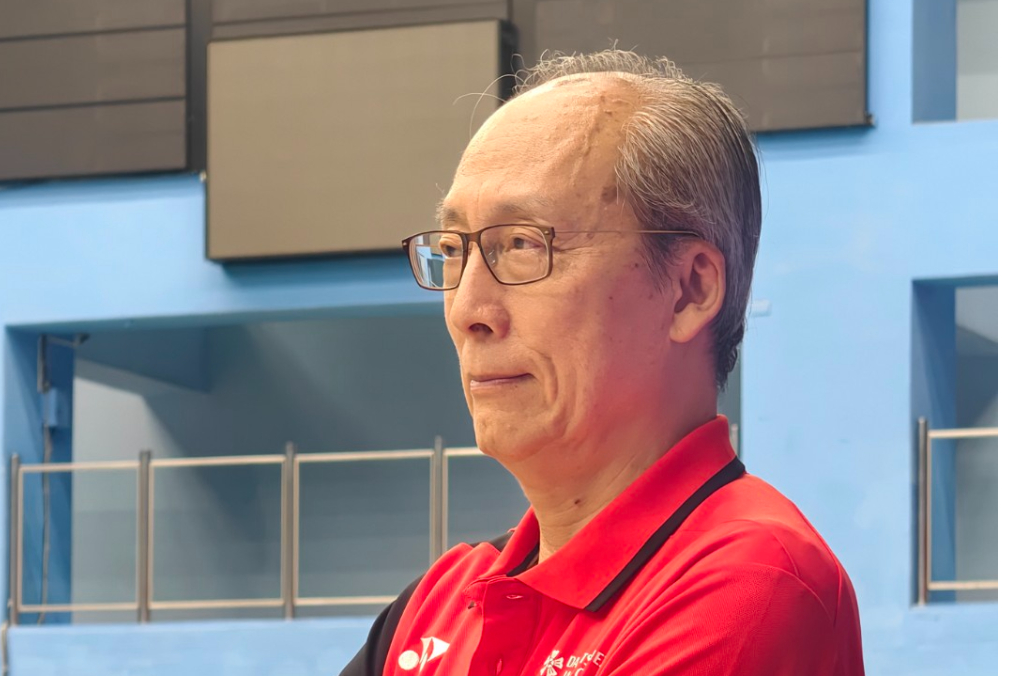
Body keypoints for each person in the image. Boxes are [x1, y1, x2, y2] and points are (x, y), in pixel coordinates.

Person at [342, 50, 864, 676]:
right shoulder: (437, 604)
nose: (468, 310)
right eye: (454, 249)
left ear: (690, 290)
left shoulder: (748, 582)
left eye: (523, 244)